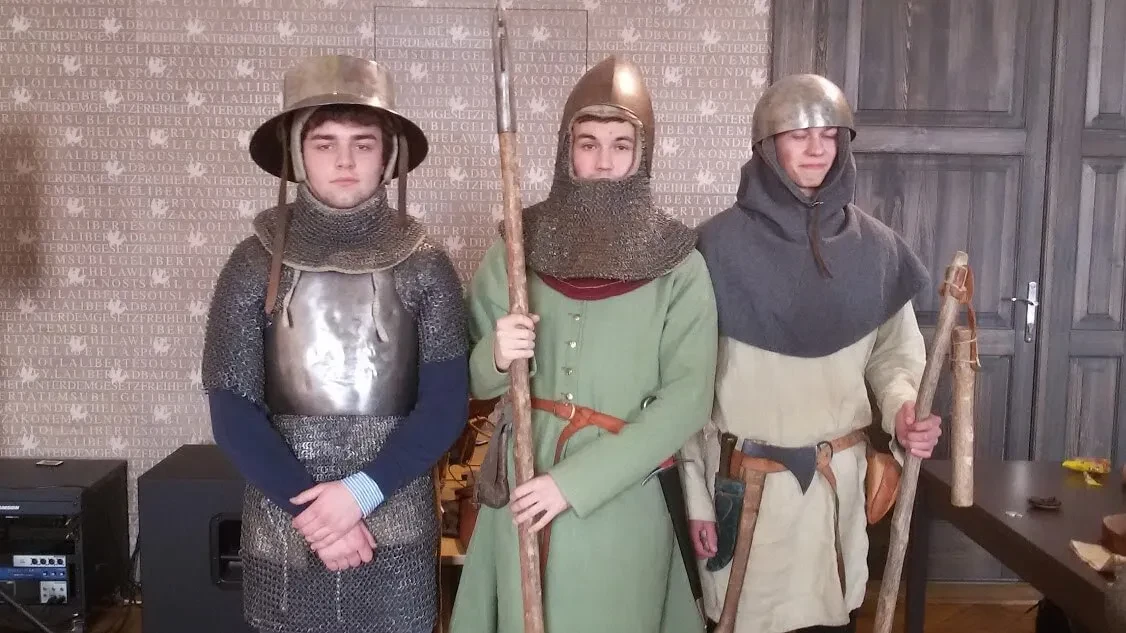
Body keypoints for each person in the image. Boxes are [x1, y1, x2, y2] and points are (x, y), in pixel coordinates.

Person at [448, 55, 717, 633]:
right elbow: (466, 378)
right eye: (588, 143)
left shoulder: (679, 266)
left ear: (643, 154)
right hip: (522, 478)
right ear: (566, 150)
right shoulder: (515, 249)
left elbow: (688, 400)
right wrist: (497, 355)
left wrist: (574, 484)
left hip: (623, 493)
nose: (603, 162)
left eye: (621, 146)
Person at [201, 54, 469, 633]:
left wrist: (361, 493)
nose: (345, 161)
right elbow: (231, 408)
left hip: (393, 516)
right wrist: (315, 513)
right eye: (325, 144)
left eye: (362, 144)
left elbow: (446, 405)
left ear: (387, 155)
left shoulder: (425, 266)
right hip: (287, 521)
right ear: (298, 155)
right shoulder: (252, 264)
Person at [682, 73, 943, 633]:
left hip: (833, 495)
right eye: (799, 135)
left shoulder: (877, 250)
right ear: (766, 145)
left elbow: (895, 357)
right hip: (744, 493)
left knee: (832, 618)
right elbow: (682, 386)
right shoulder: (710, 249)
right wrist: (695, 497)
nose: (817, 149)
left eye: (829, 135)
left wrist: (902, 409)